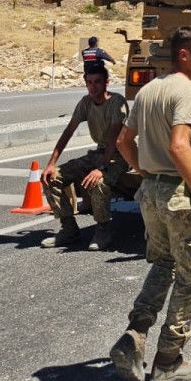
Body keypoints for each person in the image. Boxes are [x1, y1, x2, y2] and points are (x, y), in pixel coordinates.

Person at [109, 26, 191, 381]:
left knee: (164, 264)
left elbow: (123, 141)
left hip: (151, 193)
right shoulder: (189, 90)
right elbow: (179, 146)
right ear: (184, 55)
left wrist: (145, 171)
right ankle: (168, 362)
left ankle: (136, 331)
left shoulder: (148, 90)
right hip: (179, 196)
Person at [39, 62, 128, 251]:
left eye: (98, 82)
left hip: (119, 156)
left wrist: (101, 169)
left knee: (97, 183)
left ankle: (103, 230)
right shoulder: (86, 102)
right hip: (98, 153)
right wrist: (51, 164)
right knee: (51, 178)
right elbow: (68, 131)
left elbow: (114, 139)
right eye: (89, 82)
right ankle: (68, 229)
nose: (93, 87)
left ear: (106, 82)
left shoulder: (117, 102)